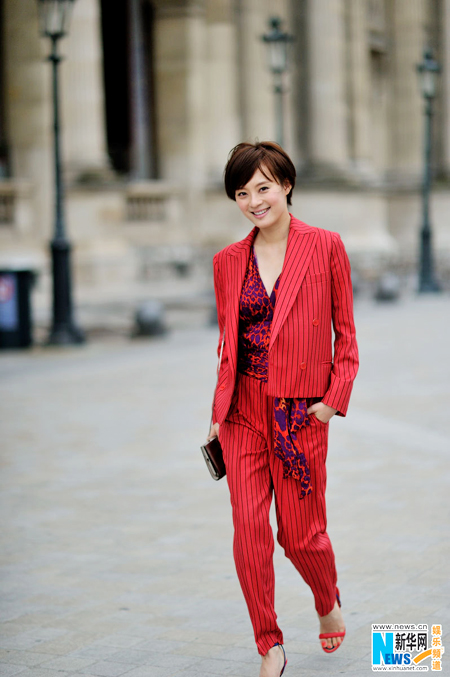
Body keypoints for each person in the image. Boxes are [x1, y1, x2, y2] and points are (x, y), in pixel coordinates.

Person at [207, 141, 359, 677]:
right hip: (242, 414)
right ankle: (269, 645)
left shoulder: (325, 247)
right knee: (248, 531)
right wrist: (216, 413)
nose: (253, 201)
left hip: (299, 415)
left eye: (263, 188)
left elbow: (348, 341)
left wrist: (328, 405)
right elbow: (230, 343)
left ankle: (326, 599)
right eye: (242, 193)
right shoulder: (227, 262)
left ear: (287, 185)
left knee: (300, 537)